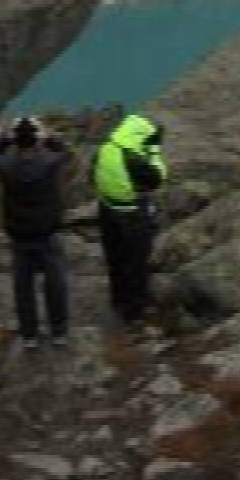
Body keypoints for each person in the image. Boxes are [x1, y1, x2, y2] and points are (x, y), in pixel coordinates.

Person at [0, 116, 71, 348]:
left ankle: (29, 335)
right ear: (36, 139)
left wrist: (3, 140)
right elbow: (66, 151)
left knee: (23, 287)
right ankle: (59, 332)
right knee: (55, 284)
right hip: (47, 232)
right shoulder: (49, 162)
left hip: (19, 234)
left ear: (16, 141)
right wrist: (49, 137)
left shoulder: (6, 166)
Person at [91, 114, 167, 325]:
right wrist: (153, 152)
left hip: (107, 210)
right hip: (131, 213)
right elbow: (157, 178)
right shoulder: (132, 158)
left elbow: (92, 177)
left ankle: (118, 300)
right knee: (137, 260)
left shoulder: (106, 148)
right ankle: (135, 311)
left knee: (115, 258)